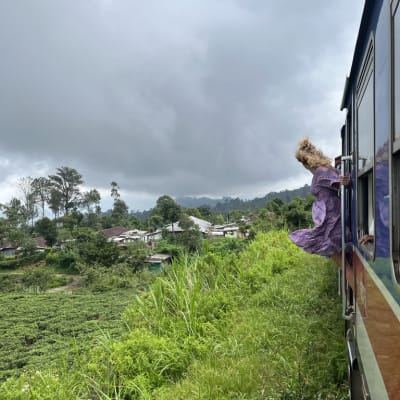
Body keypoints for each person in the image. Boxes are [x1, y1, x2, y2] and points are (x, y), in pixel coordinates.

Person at [289, 138, 349, 265]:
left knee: (329, 244)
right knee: (332, 247)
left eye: (302, 162)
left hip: (331, 214)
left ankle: (348, 275)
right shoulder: (325, 169)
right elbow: (340, 180)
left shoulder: (321, 171)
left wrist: (344, 181)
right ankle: (347, 274)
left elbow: (340, 181)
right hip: (330, 213)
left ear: (307, 162)